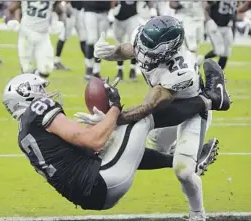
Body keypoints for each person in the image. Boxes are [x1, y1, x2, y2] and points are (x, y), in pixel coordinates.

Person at [3, 64, 222, 210]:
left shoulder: (25, 130)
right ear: (25, 93)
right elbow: (93, 141)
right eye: (38, 88)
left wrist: (104, 124)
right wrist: (115, 108)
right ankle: (211, 99)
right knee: (142, 119)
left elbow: (92, 148)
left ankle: (176, 161)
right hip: (101, 182)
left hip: (92, 192)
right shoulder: (39, 109)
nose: (44, 92)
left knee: (115, 138)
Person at [93, 16, 231, 220]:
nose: (142, 54)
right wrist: (110, 53)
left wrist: (111, 119)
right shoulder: (146, 39)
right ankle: (194, 157)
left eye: (149, 51)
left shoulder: (181, 72)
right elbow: (129, 49)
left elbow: (147, 107)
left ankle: (197, 214)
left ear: (169, 52)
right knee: (151, 151)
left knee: (182, 171)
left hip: (191, 110)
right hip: (167, 107)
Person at [7, 1, 63, 78]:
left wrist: (59, 21)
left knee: (47, 69)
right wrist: (10, 20)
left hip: (43, 36)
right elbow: (10, 9)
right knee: (27, 68)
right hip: (26, 34)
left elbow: (60, 11)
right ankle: (29, 84)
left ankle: (34, 78)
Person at [197, 1, 237, 70]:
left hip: (227, 26)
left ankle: (220, 72)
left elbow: (235, 12)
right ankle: (201, 59)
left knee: (226, 52)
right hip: (215, 25)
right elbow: (206, 7)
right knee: (219, 51)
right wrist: (208, 20)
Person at [111, 1, 140, 81]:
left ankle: (132, 69)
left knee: (133, 43)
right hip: (117, 18)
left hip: (131, 16)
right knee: (118, 45)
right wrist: (111, 9)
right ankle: (120, 70)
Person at [83, 1, 112, 80]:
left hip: (104, 12)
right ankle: (89, 67)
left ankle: (97, 71)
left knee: (100, 42)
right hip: (90, 11)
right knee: (91, 40)